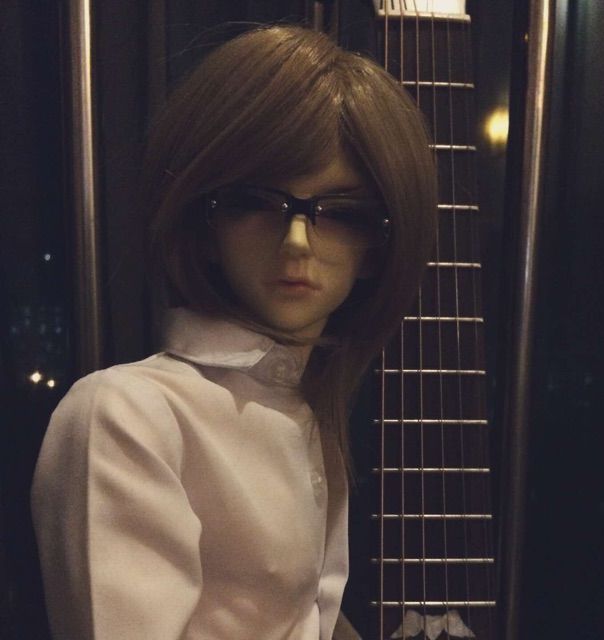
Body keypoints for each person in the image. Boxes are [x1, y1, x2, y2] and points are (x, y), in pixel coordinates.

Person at [31, 23, 437, 640]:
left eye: (341, 213)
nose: (297, 241)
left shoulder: (306, 411)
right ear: (202, 222)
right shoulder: (126, 414)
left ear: (379, 246)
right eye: (254, 202)